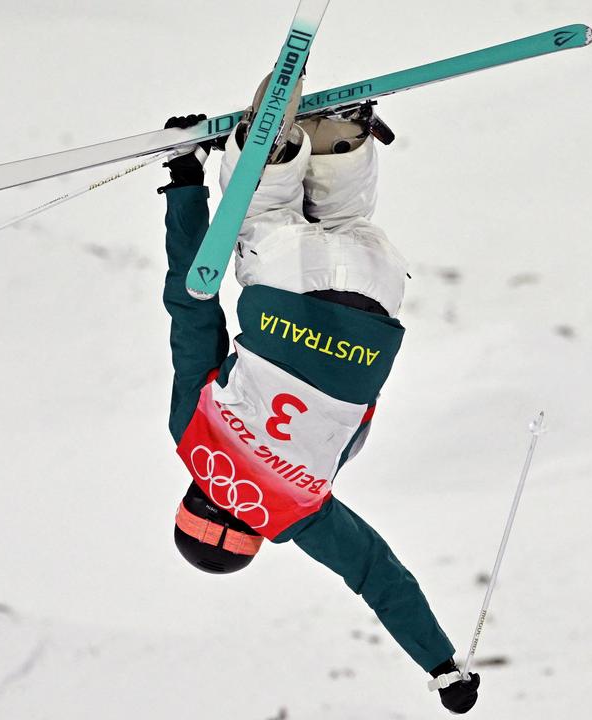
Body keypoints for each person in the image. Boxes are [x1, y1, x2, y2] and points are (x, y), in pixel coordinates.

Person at [156, 80, 481, 714]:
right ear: (190, 500)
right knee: (264, 221)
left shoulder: (297, 513)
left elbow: (379, 579)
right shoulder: (190, 440)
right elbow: (191, 309)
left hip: (375, 299)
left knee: (347, 225)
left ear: (253, 536)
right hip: (281, 288)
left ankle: (339, 142)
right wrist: (185, 183)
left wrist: (442, 667)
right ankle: (269, 155)